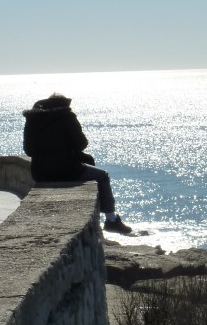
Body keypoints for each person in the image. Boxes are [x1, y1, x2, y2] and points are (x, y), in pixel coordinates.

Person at [22, 92, 133, 234]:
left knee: (87, 160)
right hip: (67, 170)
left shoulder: (32, 119)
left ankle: (105, 220)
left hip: (40, 173)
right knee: (102, 176)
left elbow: (29, 150)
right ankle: (111, 220)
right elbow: (81, 143)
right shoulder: (67, 116)